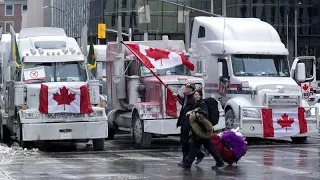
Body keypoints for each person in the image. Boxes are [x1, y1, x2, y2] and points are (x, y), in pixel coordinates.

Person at [178, 89, 225, 169]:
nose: (196, 96)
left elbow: (204, 114)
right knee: (199, 146)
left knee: (203, 147)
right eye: (195, 95)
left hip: (202, 130)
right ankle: (188, 164)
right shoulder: (196, 104)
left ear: (200, 96)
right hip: (198, 130)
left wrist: (194, 114)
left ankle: (188, 164)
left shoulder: (202, 104)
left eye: (197, 95)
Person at [173, 83, 205, 166]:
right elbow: (183, 103)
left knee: (186, 142)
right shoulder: (187, 98)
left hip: (188, 124)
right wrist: (177, 96)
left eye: (187, 88)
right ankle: (191, 156)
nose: (185, 89)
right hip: (184, 123)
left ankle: (193, 156)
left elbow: (191, 110)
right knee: (184, 142)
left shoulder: (192, 99)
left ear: (191, 89)